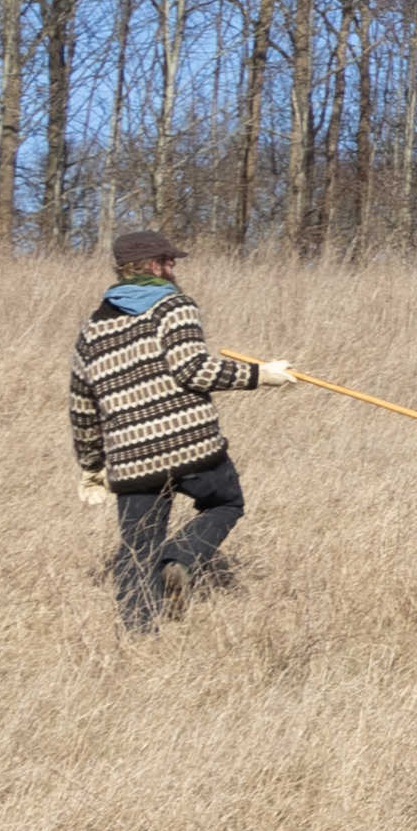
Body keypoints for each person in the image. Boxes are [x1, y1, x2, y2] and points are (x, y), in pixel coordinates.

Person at [68, 227, 291, 631]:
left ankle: (140, 639)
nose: (173, 267)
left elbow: (82, 404)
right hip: (191, 447)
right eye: (168, 261)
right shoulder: (174, 306)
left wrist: (92, 467)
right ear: (152, 266)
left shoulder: (91, 329)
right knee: (227, 504)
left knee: (137, 551)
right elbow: (194, 369)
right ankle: (180, 560)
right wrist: (263, 375)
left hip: (132, 459)